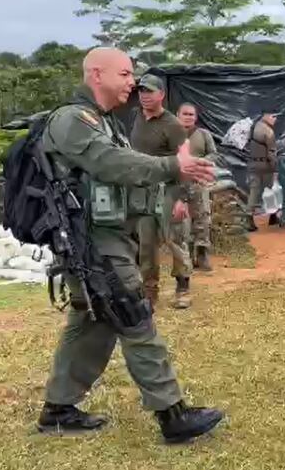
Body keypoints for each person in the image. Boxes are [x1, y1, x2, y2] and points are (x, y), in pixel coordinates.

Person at [37, 48, 223, 442]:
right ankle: (172, 414)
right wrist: (174, 166)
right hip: (91, 243)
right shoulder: (73, 121)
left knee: (95, 322)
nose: (131, 83)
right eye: (123, 74)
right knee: (133, 314)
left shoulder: (107, 123)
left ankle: (58, 409)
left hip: (106, 238)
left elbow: (127, 167)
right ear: (95, 75)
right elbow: (112, 165)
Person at [129, 74, 194, 309]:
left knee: (174, 239)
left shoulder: (173, 125)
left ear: (162, 95)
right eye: (141, 91)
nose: (144, 95)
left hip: (170, 189)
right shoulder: (135, 117)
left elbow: (186, 163)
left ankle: (182, 286)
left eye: (149, 91)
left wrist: (182, 199)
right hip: (143, 190)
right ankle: (149, 291)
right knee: (146, 243)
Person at [176, 102, 219, 272]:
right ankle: (185, 259)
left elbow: (214, 153)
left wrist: (199, 163)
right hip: (178, 184)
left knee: (202, 220)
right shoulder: (170, 134)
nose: (188, 117)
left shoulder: (203, 134)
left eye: (191, 114)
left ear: (196, 117)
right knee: (182, 223)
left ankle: (202, 256)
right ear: (177, 115)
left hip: (199, 183)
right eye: (185, 114)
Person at [247, 112, 280, 231]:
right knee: (270, 190)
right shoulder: (269, 132)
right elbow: (271, 153)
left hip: (252, 164)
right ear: (265, 116)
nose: (275, 119)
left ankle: (248, 218)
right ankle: (273, 217)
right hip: (266, 165)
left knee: (254, 191)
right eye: (273, 116)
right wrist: (274, 167)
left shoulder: (252, 128)